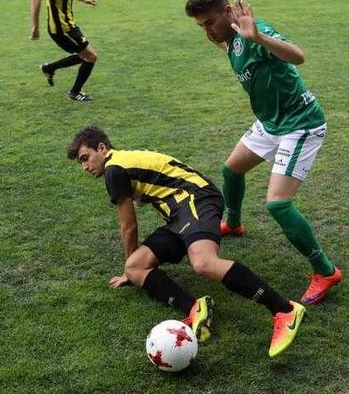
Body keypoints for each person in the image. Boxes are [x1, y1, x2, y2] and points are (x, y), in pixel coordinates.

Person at [66, 126, 307, 358]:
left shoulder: (114, 168)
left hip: (196, 200)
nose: (85, 167)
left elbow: (128, 225)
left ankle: (285, 310)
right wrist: (129, 267)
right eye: (81, 163)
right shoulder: (122, 160)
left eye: (86, 158)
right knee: (135, 267)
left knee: (203, 262)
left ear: (102, 148)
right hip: (178, 215)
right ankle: (196, 308)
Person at [184, 0, 342, 306]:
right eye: (201, 26)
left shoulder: (256, 32)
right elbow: (231, 45)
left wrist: (258, 37)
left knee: (278, 204)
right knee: (231, 170)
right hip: (270, 123)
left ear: (229, 12)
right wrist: (223, 37)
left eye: (210, 22)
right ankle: (234, 222)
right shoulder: (227, 39)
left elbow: (298, 56)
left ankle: (325, 271)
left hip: (300, 124)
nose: (208, 31)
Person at [30, 0, 99, 102]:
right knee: (90, 56)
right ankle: (75, 92)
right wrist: (36, 27)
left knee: (84, 55)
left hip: (69, 24)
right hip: (61, 28)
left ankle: (49, 68)